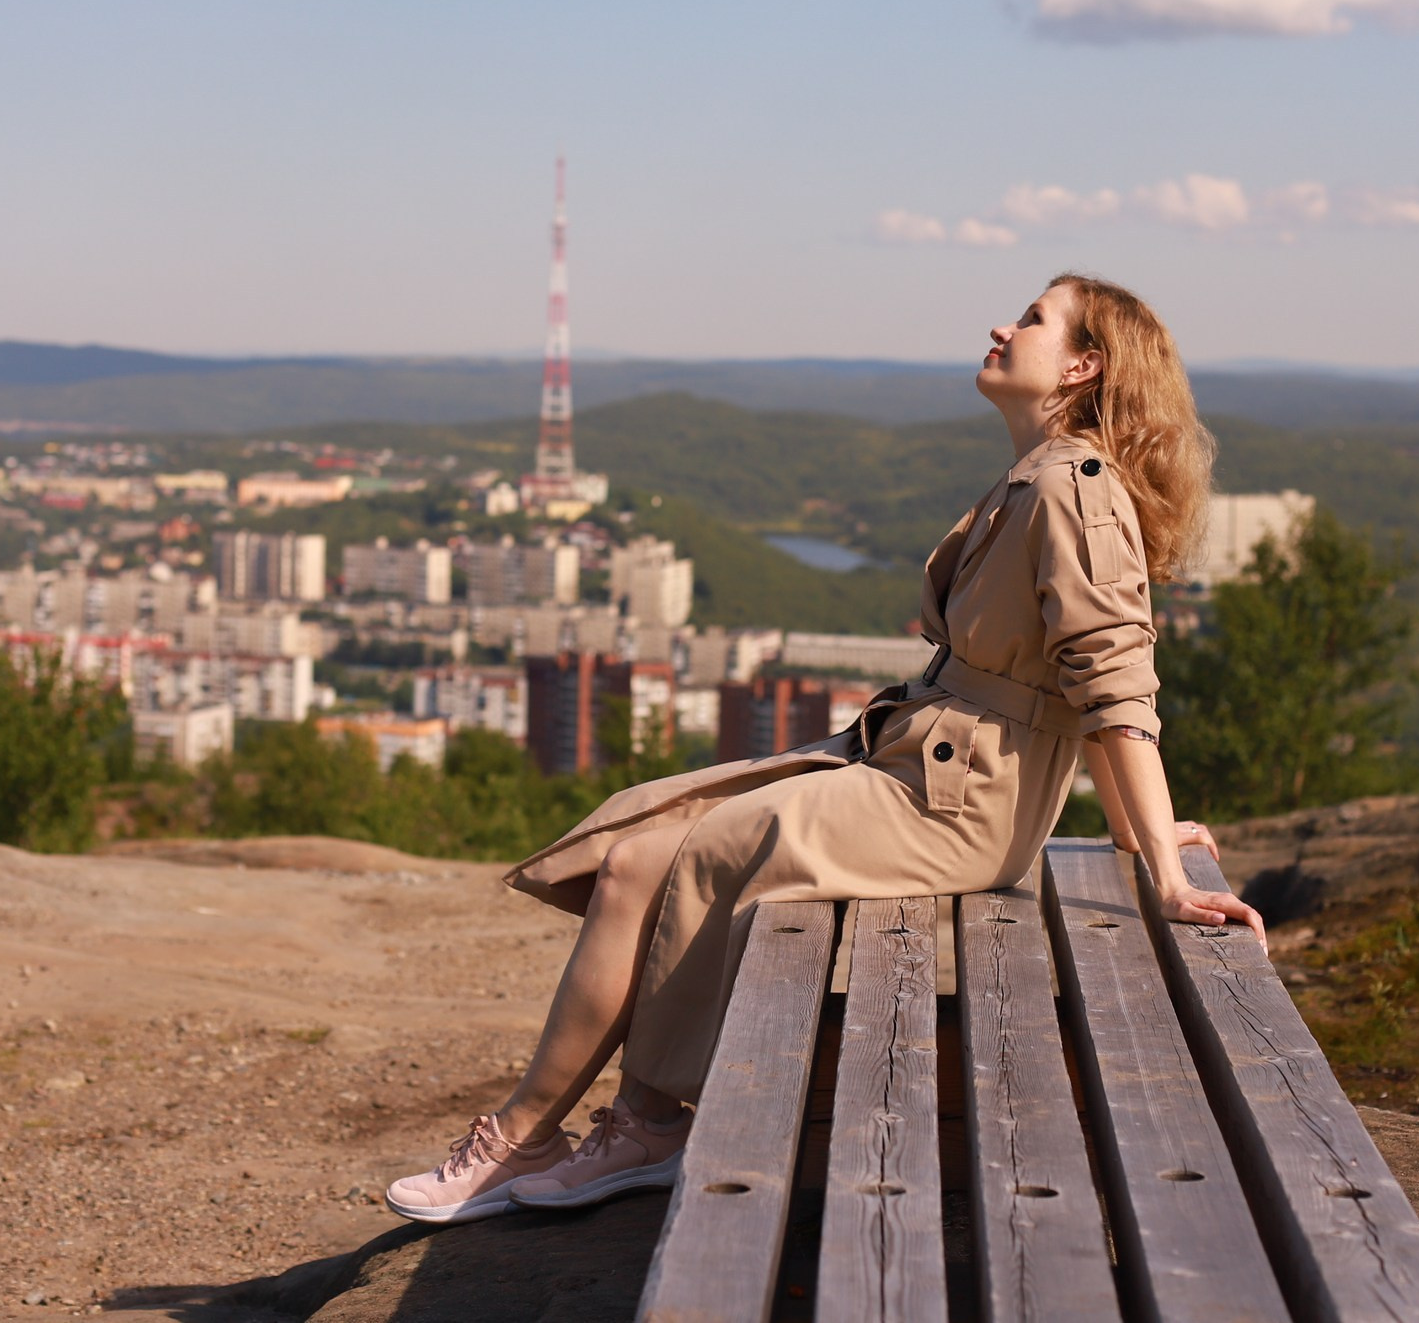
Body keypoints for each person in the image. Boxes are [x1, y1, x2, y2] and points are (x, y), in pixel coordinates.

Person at [385, 273, 1269, 1224]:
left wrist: (1167, 871)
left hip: (956, 805)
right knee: (644, 841)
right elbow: (1070, 686)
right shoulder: (1039, 476)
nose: (1001, 327)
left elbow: (1113, 685)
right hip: (923, 765)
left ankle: (629, 1122)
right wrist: (1141, 829)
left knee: (709, 849)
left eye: (1034, 320)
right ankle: (542, 1133)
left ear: (1085, 364)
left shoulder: (1076, 490)